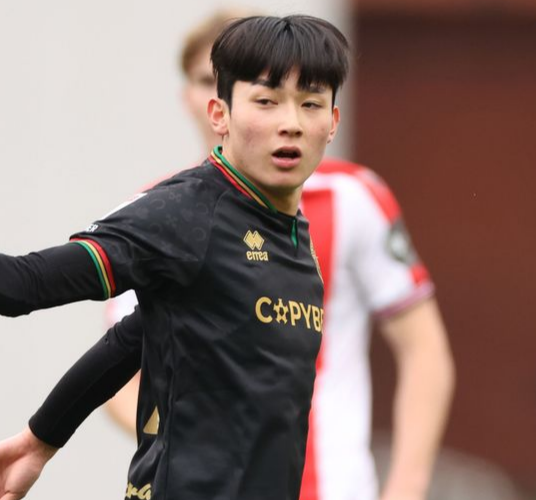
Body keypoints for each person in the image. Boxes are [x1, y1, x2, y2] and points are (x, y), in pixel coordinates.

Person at [103, 10, 455, 500]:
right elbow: (120, 375)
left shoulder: (352, 198)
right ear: (200, 100)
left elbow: (424, 350)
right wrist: (198, 447)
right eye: (208, 80)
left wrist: (407, 487)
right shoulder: (149, 215)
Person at [0, 14, 348, 500]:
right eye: (266, 101)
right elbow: (22, 285)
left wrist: (40, 439)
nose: (290, 124)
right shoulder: (183, 214)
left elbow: (135, 338)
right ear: (219, 114)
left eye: (310, 104)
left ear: (332, 123)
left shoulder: (291, 230)